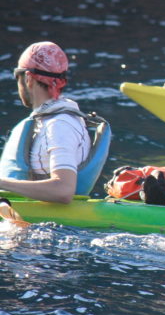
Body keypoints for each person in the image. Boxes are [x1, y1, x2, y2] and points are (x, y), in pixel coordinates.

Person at [0, 41, 111, 203]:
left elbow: (64, 190)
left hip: (45, 226)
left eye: (18, 75)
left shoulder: (59, 125)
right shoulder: (49, 120)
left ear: (29, 78)